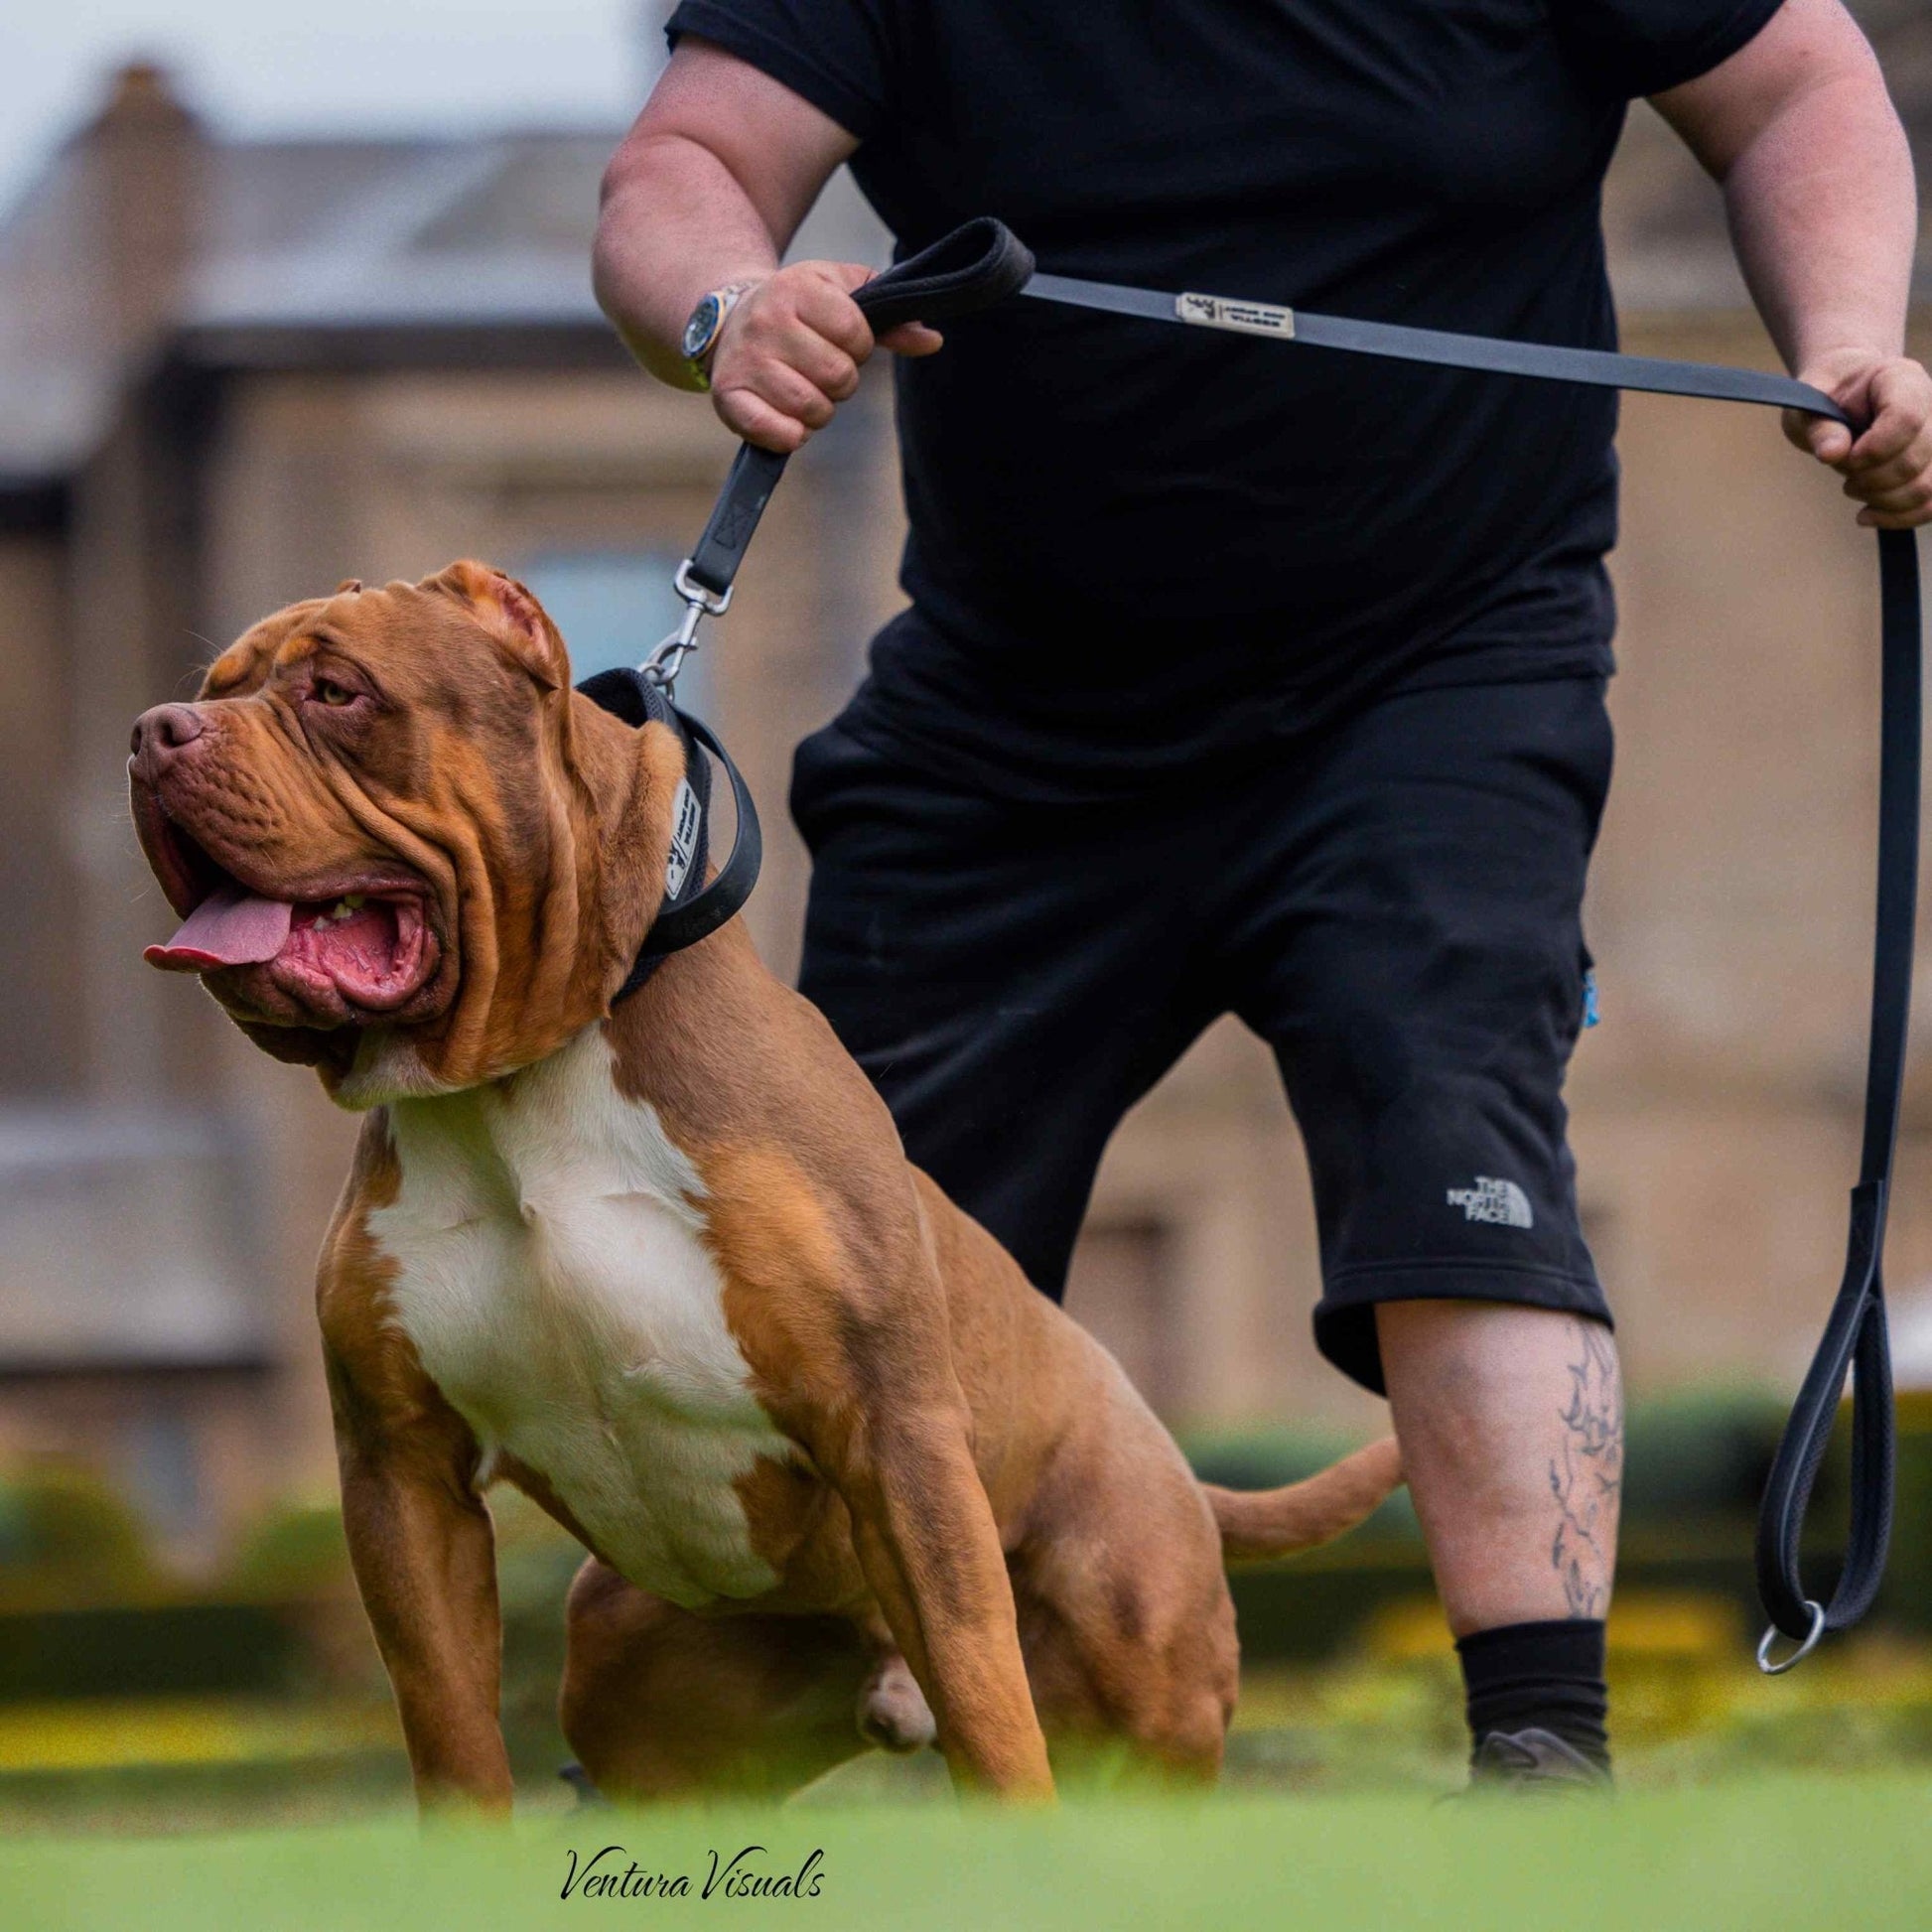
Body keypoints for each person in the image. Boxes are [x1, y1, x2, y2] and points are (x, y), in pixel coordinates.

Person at [593, 0, 1931, 1789]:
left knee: (1447, 1110)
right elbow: (684, 166)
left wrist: (1851, 339)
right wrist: (725, 304)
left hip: (1447, 662)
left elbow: (1795, 84)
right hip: (1013, 714)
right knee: (842, 1248)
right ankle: (681, 1788)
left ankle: (1545, 1758)